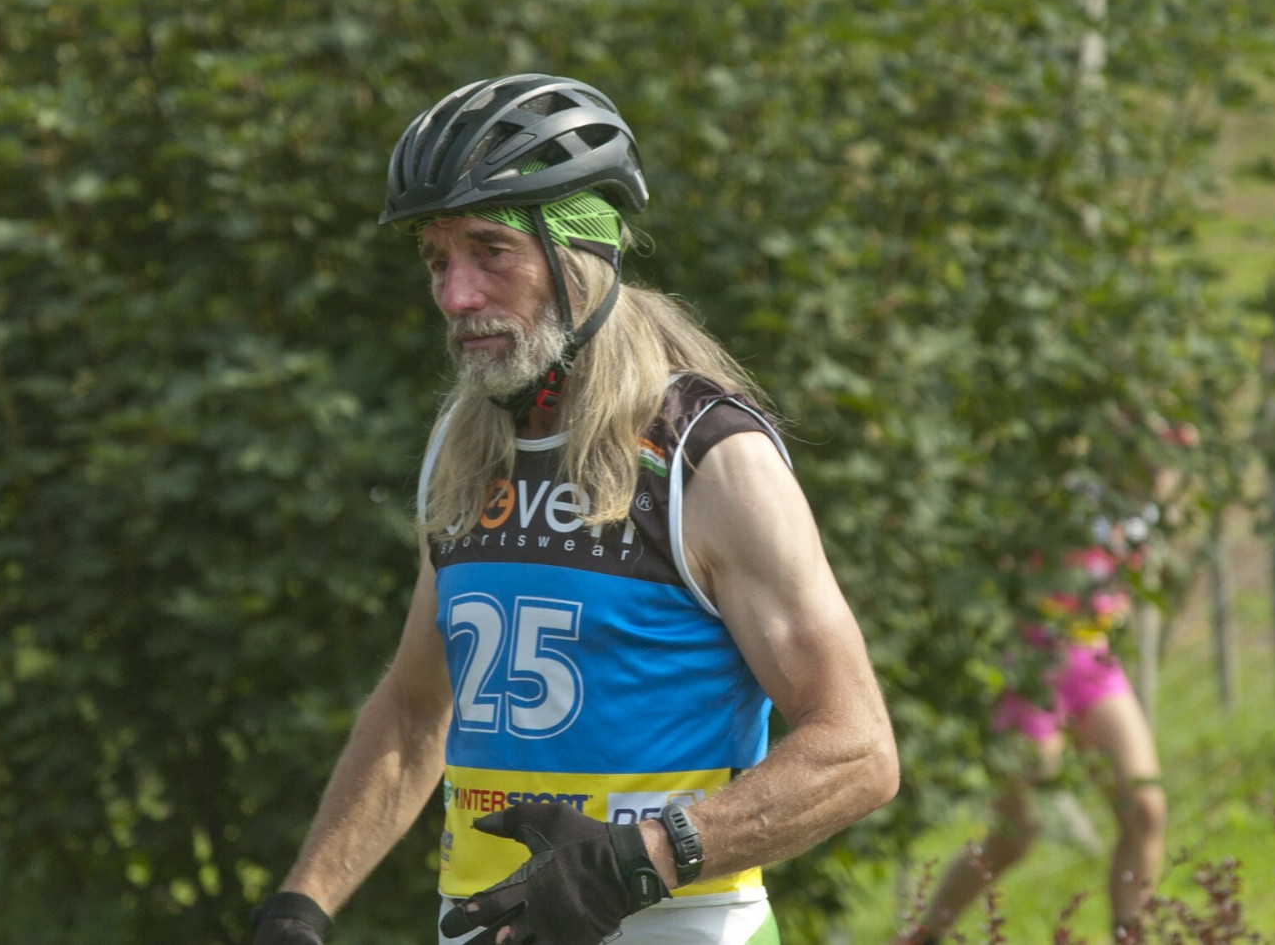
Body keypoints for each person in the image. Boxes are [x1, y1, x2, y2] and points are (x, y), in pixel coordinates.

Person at [249, 73, 899, 945]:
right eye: (438, 261)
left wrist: (643, 857)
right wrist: (303, 905)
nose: (456, 296)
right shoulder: (467, 445)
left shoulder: (708, 458)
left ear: (580, 257)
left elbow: (857, 750)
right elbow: (415, 709)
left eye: (491, 251)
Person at [893, 424, 1195, 945]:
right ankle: (924, 936)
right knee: (1015, 835)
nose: (1167, 467)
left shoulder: (1142, 517)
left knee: (1146, 811)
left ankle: (1131, 936)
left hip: (1095, 663)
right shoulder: (1069, 492)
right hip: (1033, 668)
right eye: (1159, 450)